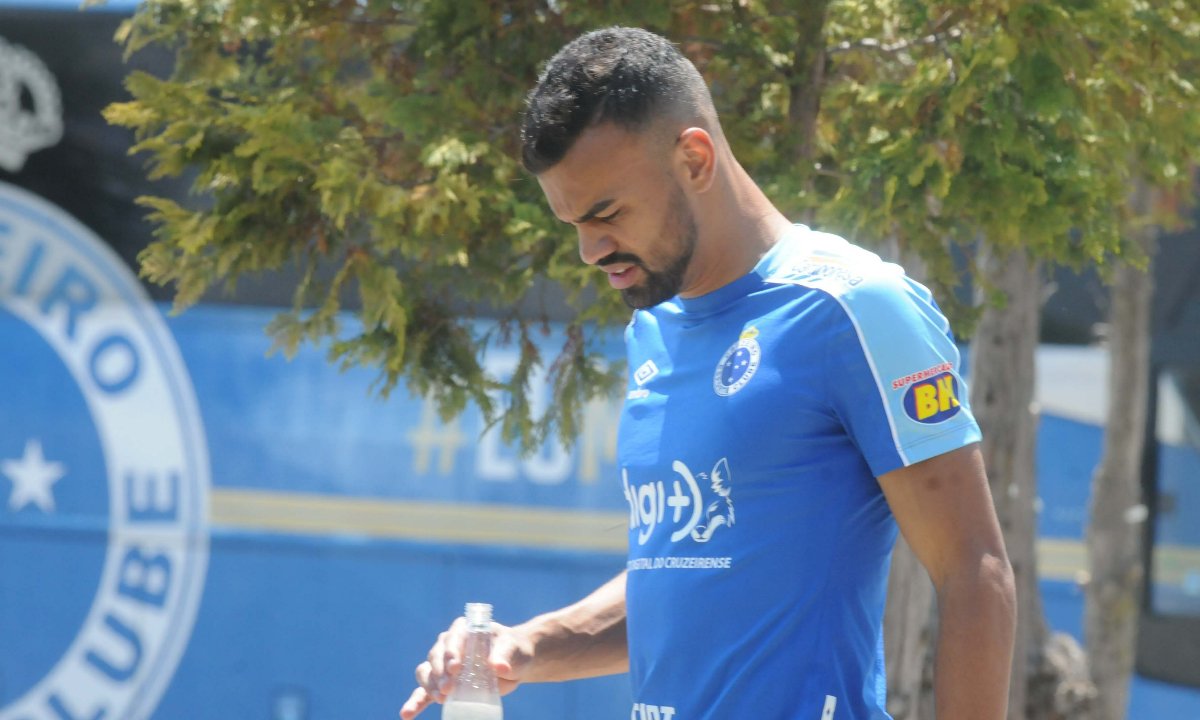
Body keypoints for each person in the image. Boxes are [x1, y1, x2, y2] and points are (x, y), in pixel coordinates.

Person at [401, 26, 1016, 720]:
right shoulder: (653, 328)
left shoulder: (854, 307)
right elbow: (689, 577)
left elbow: (974, 573)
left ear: (695, 158)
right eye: (571, 221)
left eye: (606, 214)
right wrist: (526, 646)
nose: (588, 249)